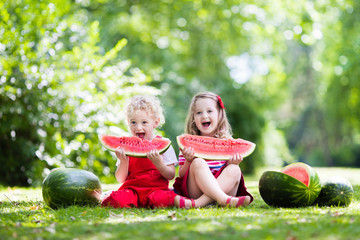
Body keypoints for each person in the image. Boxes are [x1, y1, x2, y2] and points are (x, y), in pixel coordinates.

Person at [101, 95, 195, 209]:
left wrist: (159, 164)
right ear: (128, 122)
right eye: (133, 122)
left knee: (164, 198)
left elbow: (170, 175)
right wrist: (123, 161)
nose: (138, 128)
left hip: (156, 191)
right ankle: (107, 196)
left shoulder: (164, 145)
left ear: (155, 122)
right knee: (114, 200)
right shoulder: (126, 147)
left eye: (144, 122)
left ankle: (182, 201)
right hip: (132, 191)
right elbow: (120, 179)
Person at [173, 91, 253, 207]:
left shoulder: (228, 142)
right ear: (193, 118)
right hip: (196, 190)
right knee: (198, 162)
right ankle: (223, 200)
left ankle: (198, 204)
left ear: (219, 114)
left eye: (209, 111)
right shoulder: (188, 144)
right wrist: (188, 161)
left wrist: (233, 163)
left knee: (234, 169)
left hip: (224, 188)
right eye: (199, 113)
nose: (204, 116)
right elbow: (181, 175)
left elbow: (231, 174)